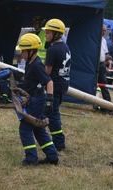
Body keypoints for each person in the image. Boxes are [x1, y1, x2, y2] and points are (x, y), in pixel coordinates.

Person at [16, 33, 59, 166]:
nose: (21, 53)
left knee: (25, 128)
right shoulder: (30, 62)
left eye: (23, 51)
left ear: (31, 50)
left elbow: (49, 82)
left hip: (38, 100)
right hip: (34, 99)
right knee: (38, 128)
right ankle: (52, 156)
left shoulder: (37, 65)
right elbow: (30, 79)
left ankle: (31, 159)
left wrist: (49, 101)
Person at [43, 18, 71, 151]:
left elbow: (47, 72)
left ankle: (59, 143)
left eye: (48, 33)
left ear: (56, 34)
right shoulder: (65, 47)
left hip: (53, 86)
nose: (46, 35)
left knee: (53, 115)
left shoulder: (52, 50)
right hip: (63, 85)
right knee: (52, 113)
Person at [97, 25, 111, 107]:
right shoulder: (95, 39)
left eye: (105, 30)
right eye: (103, 30)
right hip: (94, 64)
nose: (104, 32)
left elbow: (106, 54)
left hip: (102, 64)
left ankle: (107, 101)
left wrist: (109, 60)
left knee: (104, 83)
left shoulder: (104, 40)